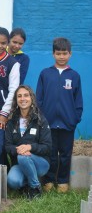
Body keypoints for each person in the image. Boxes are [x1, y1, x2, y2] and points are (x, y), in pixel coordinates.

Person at [36, 37, 83, 193]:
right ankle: (49, 180)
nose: (61, 56)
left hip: (67, 124)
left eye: (65, 53)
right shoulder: (45, 74)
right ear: (53, 54)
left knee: (65, 154)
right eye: (58, 53)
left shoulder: (74, 76)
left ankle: (62, 181)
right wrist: (41, 119)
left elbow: (78, 102)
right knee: (50, 153)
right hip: (48, 123)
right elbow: (39, 99)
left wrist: (74, 119)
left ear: (70, 54)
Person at [6, 85, 51, 200]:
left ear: (32, 99)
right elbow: (7, 146)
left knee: (23, 157)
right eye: (19, 96)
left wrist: (30, 147)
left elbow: (47, 147)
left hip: (40, 162)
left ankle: (35, 189)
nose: (23, 98)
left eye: (26, 95)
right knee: (12, 181)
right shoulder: (11, 121)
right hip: (20, 162)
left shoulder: (40, 119)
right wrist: (18, 149)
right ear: (16, 100)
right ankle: (29, 183)